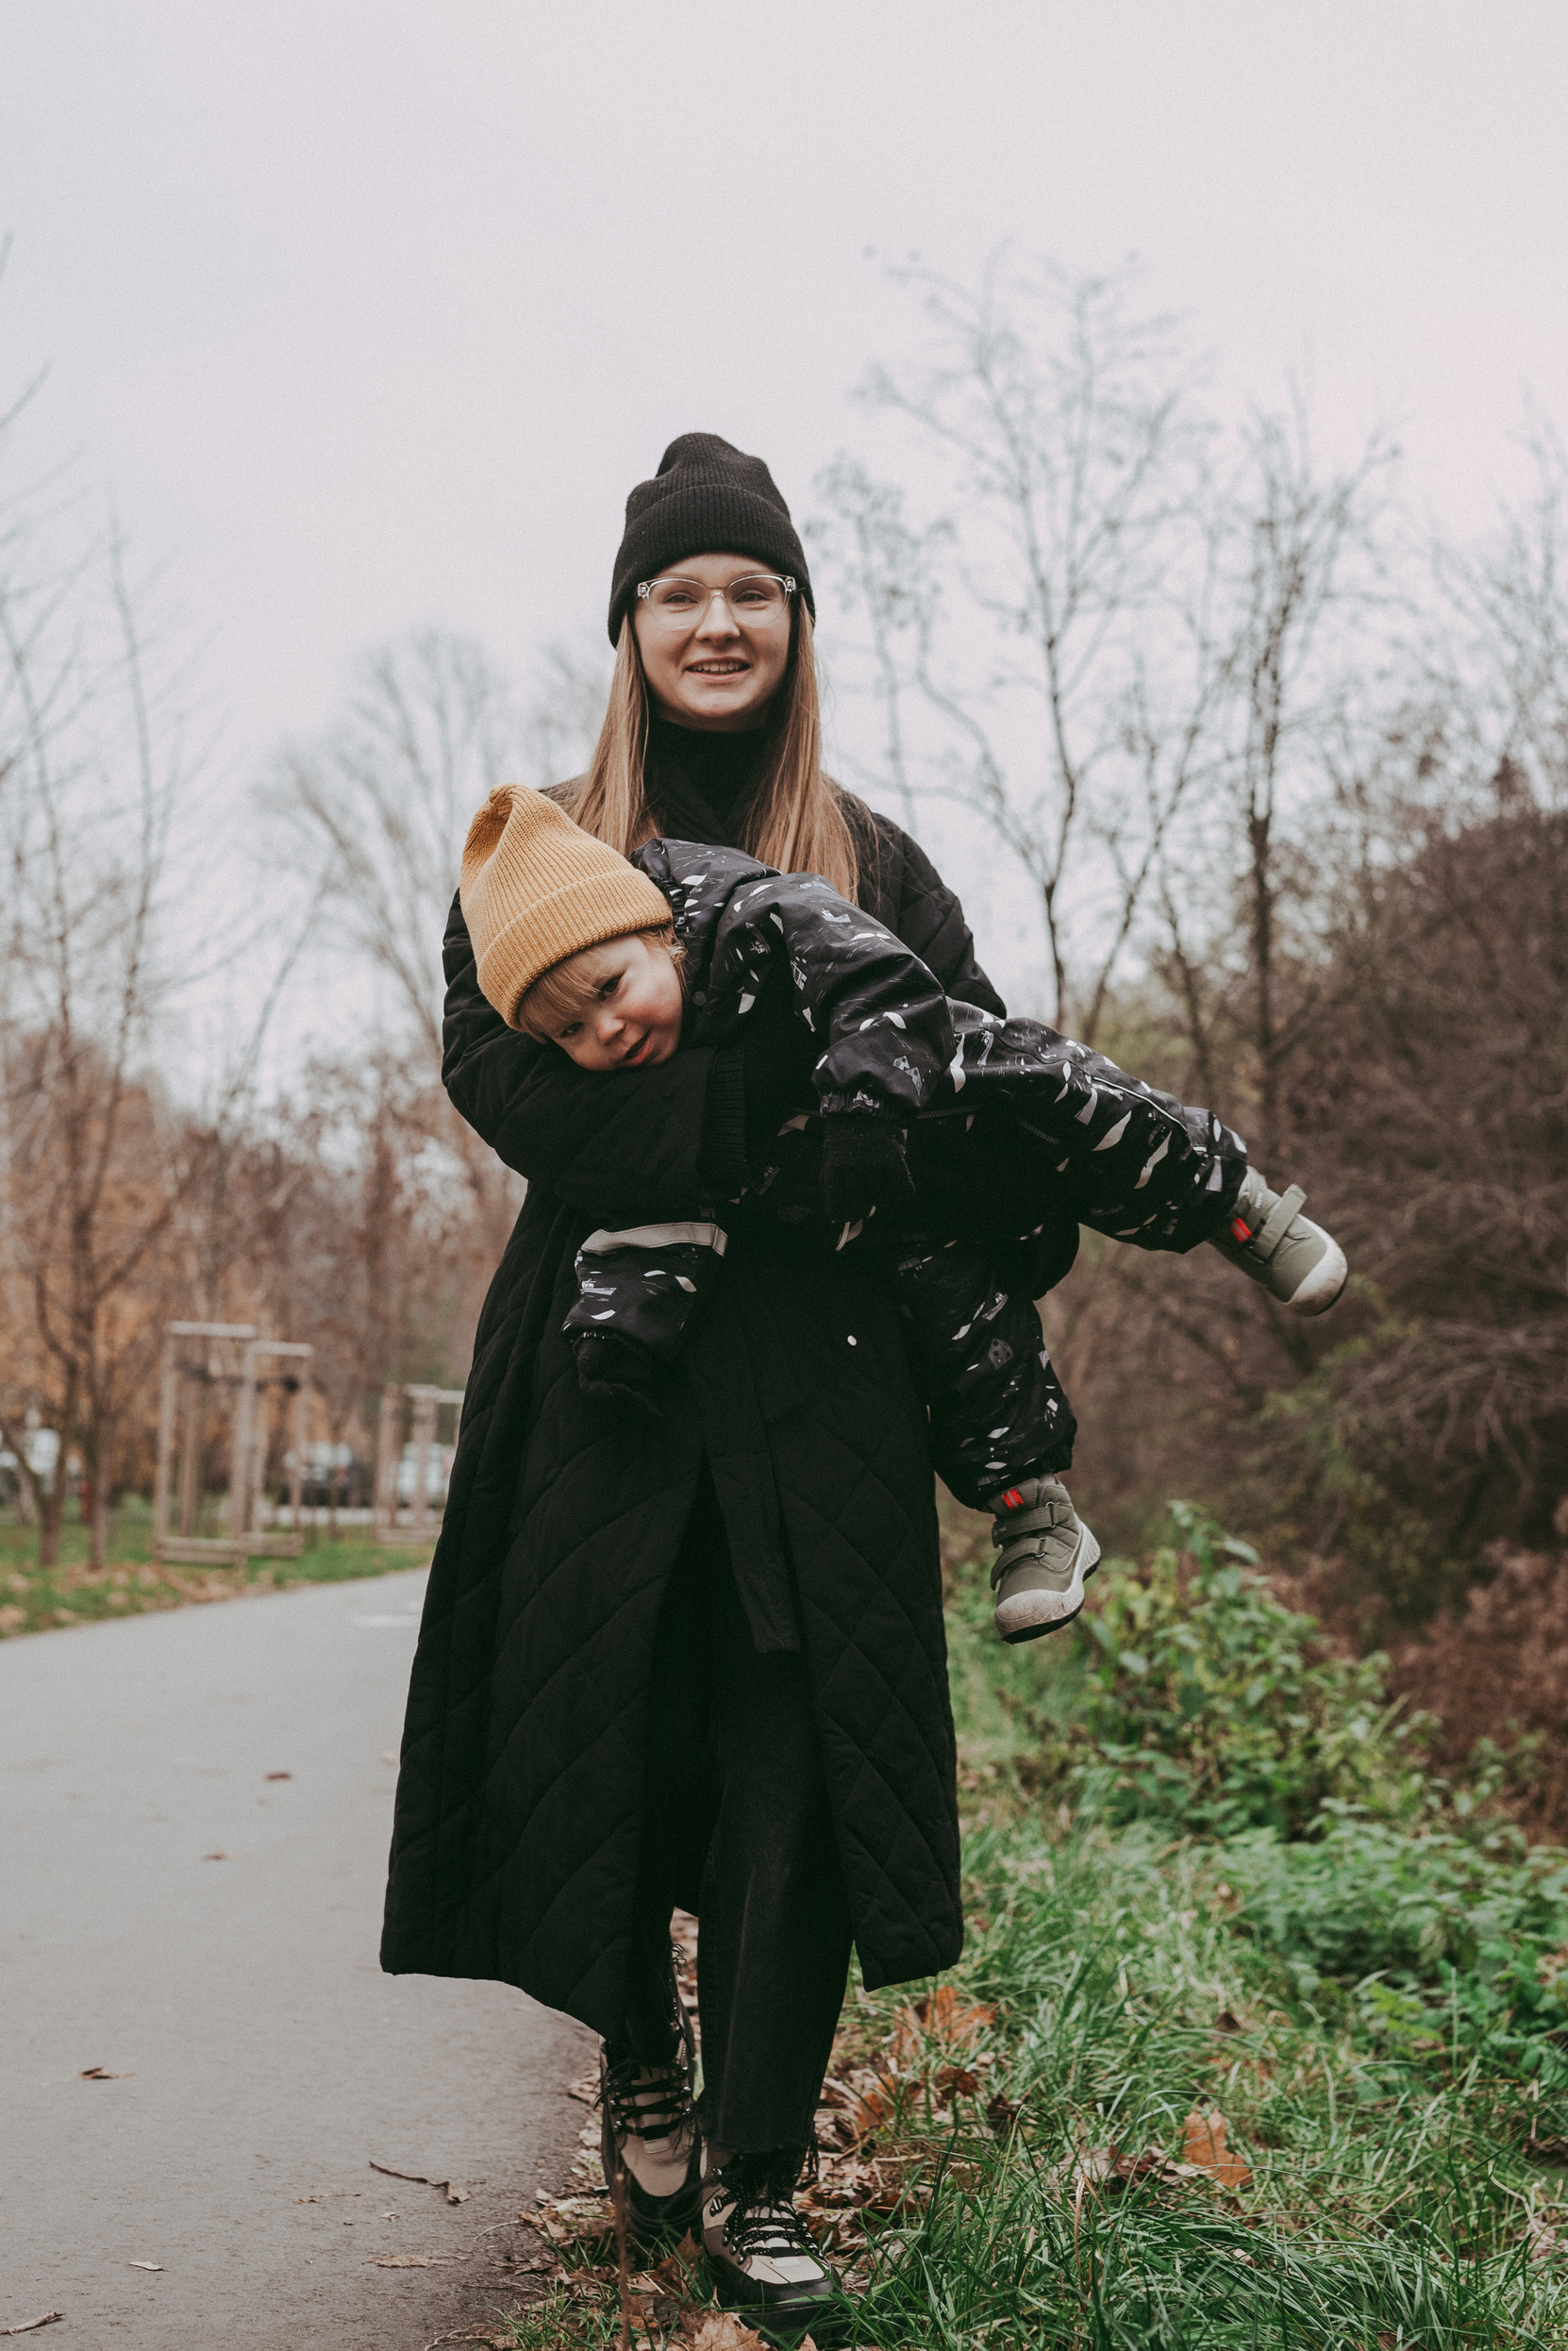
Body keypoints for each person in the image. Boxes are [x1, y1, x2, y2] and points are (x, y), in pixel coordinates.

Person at [376, 435, 1335, 2341]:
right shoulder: (545, 851)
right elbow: (515, 1091)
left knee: (792, 1762)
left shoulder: (876, 864)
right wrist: (774, 1112)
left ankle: (758, 2177)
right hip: (609, 1356)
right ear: (631, 628)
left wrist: (940, 1180)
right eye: (680, 593)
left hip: (825, 1372)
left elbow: (978, 1085)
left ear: (799, 623)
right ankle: (638, 2060)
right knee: (603, 1727)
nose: (717, 622)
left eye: (752, 591)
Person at [451, 780, 1346, 1643]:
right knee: (954, 1314)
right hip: (871, 1198)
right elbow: (656, 1216)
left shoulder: (753, 912)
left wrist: (867, 1109)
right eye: (568, 1032)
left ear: (658, 936)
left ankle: (1235, 1204)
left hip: (936, 1073)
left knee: (1071, 1101)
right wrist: (625, 1325)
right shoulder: (644, 1074)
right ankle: (1034, 1513)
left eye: (609, 989)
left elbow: (875, 972)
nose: (605, 1032)